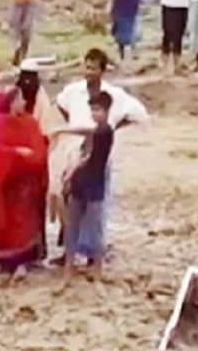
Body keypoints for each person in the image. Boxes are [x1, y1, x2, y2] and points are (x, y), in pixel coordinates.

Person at [52, 48, 147, 258]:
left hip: (98, 155)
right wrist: (72, 122)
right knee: (69, 200)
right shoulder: (74, 91)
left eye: (94, 68)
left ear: (102, 71)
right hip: (74, 150)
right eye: (87, 67)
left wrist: (111, 126)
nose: (89, 72)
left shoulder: (112, 94)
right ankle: (69, 250)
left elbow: (139, 114)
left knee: (95, 205)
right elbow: (61, 103)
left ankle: (93, 253)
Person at [0, 81, 49, 273]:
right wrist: (17, 153)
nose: (24, 102)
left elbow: (38, 150)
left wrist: (28, 158)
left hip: (26, 185)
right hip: (8, 185)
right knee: (9, 223)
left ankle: (24, 261)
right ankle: (7, 263)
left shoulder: (30, 122)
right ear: (12, 103)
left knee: (26, 224)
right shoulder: (2, 123)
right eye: (21, 99)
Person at [57, 92, 114, 280]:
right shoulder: (99, 131)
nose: (94, 113)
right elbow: (88, 133)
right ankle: (69, 268)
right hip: (82, 184)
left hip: (93, 186)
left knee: (94, 229)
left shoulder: (105, 133)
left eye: (98, 110)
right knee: (72, 227)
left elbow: (85, 158)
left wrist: (69, 175)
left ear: (107, 111)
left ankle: (96, 270)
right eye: (92, 110)